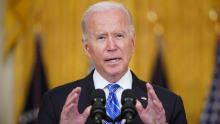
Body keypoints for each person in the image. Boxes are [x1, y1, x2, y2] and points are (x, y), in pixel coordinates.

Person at [38, 1, 187, 124]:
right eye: (101, 37)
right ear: (87, 48)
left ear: (133, 42)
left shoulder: (169, 104)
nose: (111, 46)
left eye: (119, 35)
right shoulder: (55, 103)